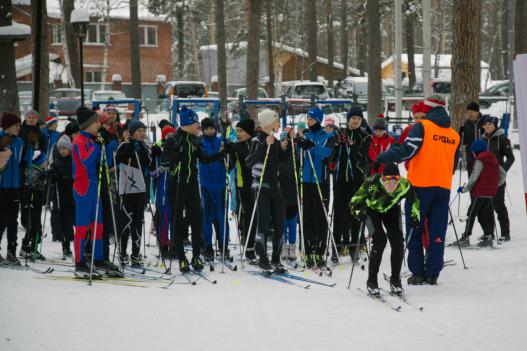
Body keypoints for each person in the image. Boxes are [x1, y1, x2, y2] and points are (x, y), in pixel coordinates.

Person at [377, 96, 460, 285]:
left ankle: (418, 272)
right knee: (437, 230)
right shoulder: (454, 134)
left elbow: (408, 149)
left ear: (428, 109)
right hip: (443, 187)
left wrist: (385, 156)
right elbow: (454, 165)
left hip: (421, 187)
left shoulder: (423, 126)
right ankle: (433, 272)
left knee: (415, 228)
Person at [161, 106, 224, 273]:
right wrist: (176, 159)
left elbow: (203, 159)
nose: (199, 127)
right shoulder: (173, 140)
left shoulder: (196, 141)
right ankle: (181, 257)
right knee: (177, 222)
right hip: (177, 186)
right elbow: (165, 162)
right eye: (196, 123)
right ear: (188, 123)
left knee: (197, 221)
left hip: (192, 186)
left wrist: (220, 154)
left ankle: (196, 255)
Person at [349, 163, 420, 296]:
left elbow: (414, 200)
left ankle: (395, 279)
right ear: (382, 178)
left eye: (395, 180)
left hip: (391, 210)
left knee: (398, 242)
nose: (392, 184)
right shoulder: (371, 183)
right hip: (372, 210)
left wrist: (415, 216)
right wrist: (360, 213)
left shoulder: (404, 185)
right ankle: (372, 280)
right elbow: (354, 203)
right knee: (380, 241)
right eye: (388, 180)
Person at [246, 109, 289, 272]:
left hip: (275, 186)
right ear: (269, 123)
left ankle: (276, 259)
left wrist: (288, 144)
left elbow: (283, 160)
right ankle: (263, 258)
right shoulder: (257, 140)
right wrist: (265, 144)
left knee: (279, 222)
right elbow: (249, 162)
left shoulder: (275, 141)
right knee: (263, 222)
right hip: (261, 185)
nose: (279, 124)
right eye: (277, 121)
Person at [331, 107, 371, 261]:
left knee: (355, 213)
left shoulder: (365, 136)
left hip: (357, 180)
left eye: (358, 119)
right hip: (341, 180)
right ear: (348, 119)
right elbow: (332, 157)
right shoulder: (340, 134)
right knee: (339, 213)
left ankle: (355, 246)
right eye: (352, 118)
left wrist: (353, 146)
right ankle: (337, 246)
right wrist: (337, 144)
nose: (355, 121)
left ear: (361, 121)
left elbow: (363, 159)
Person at [298, 107, 334, 268]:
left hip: (322, 181)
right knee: (307, 216)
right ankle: (307, 250)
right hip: (306, 181)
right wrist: (299, 144)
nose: (309, 121)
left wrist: (312, 145)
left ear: (318, 120)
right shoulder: (305, 134)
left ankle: (319, 251)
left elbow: (327, 153)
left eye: (311, 119)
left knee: (321, 216)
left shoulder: (327, 136)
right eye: (308, 119)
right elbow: (298, 154)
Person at [71, 107, 104, 278]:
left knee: (98, 225)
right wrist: (97, 148)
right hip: (83, 187)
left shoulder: (91, 140)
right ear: (88, 124)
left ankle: (98, 258)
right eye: (97, 121)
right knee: (83, 225)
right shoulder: (79, 140)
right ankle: (79, 261)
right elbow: (84, 160)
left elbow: (99, 161)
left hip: (93, 187)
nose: (100, 123)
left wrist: (105, 146)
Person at [115, 120, 151, 267]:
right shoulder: (124, 145)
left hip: (140, 189)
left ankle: (135, 254)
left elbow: (148, 162)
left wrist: (149, 153)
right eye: (139, 131)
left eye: (144, 130)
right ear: (131, 133)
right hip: (127, 188)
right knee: (126, 221)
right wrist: (129, 150)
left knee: (138, 222)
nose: (142, 133)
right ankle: (122, 253)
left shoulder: (144, 147)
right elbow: (118, 159)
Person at [457, 140, 506, 248]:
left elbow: (473, 177)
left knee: (471, 213)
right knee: (484, 214)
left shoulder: (480, 159)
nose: (473, 154)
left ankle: (465, 237)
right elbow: (503, 173)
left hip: (479, 193)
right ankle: (488, 236)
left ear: (476, 151)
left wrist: (464, 189)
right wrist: (495, 184)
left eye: (473, 152)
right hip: (490, 193)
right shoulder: (493, 158)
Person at [226, 118, 257, 263]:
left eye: (241, 131)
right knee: (248, 215)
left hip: (258, 184)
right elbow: (229, 165)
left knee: (258, 216)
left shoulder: (257, 144)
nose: (238, 134)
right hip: (243, 185)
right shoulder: (236, 147)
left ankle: (257, 243)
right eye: (237, 131)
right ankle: (249, 246)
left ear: (249, 132)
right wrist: (227, 155)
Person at [0, 113, 29, 265]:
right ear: (8, 126)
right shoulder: (1, 139)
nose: (19, 127)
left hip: (15, 186)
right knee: (2, 219)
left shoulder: (19, 141)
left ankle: (12, 251)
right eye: (16, 125)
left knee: (13, 220)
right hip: (2, 186)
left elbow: (23, 162)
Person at [199, 117, 230, 262]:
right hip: (207, 185)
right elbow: (204, 159)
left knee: (222, 217)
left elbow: (229, 159)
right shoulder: (201, 142)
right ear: (203, 130)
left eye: (212, 128)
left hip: (221, 184)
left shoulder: (221, 141)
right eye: (207, 129)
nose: (210, 131)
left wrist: (227, 154)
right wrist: (219, 155)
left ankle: (224, 246)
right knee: (208, 217)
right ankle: (207, 247)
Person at [479, 115, 514, 241]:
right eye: (485, 124)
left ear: (495, 126)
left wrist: (502, 170)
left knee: (498, 205)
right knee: (485, 207)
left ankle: (505, 233)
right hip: (484, 178)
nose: (487, 126)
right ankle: (488, 233)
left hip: (497, 178)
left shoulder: (503, 139)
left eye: (490, 124)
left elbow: (511, 157)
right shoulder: (481, 140)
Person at [19, 110, 48, 259]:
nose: (30, 120)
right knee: (27, 217)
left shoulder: (41, 135)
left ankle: (33, 246)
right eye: (28, 117)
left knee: (37, 215)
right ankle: (24, 246)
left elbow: (43, 152)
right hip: (24, 177)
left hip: (38, 177)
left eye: (33, 118)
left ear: (37, 120)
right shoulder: (20, 132)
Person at [49, 135, 75, 258]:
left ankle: (81, 245)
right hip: (62, 197)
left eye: (65, 148)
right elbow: (53, 181)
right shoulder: (56, 162)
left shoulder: (73, 161)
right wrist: (53, 176)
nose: (63, 151)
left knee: (74, 221)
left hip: (73, 196)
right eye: (60, 149)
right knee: (64, 222)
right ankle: (66, 246)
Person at [279, 126, 299, 262]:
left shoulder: (294, 154)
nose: (285, 142)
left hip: (292, 191)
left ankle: (292, 246)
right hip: (281, 192)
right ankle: (283, 245)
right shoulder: (276, 154)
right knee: (282, 221)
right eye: (282, 140)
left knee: (292, 220)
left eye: (287, 140)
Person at [42, 116, 62, 242]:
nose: (56, 125)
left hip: (53, 165)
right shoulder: (44, 134)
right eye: (54, 123)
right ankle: (46, 200)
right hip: (44, 164)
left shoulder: (58, 135)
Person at [462, 102, 484, 176]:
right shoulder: (466, 123)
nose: (469, 114)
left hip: (483, 156)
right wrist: (461, 134)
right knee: (471, 179)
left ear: (477, 112)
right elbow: (465, 141)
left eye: (471, 112)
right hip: (471, 156)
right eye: (468, 112)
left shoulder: (484, 122)